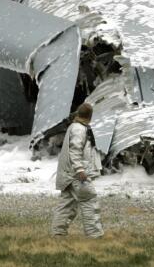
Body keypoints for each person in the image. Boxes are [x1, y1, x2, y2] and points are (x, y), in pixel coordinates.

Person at [50, 102, 104, 238]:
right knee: (89, 202)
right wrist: (80, 170)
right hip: (77, 175)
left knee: (67, 205)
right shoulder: (80, 129)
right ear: (90, 116)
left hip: (69, 174)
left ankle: (58, 233)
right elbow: (75, 150)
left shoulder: (75, 127)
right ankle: (95, 236)